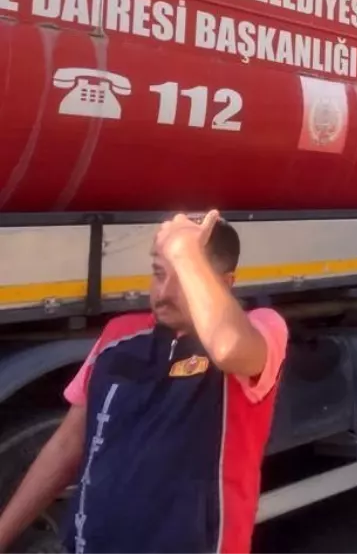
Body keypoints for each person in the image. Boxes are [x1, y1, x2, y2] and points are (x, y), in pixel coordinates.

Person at [0, 210, 290, 554]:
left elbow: (228, 347)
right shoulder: (118, 335)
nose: (163, 293)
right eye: (158, 274)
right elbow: (66, 446)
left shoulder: (262, 328)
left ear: (225, 284)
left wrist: (184, 250)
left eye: (182, 278)